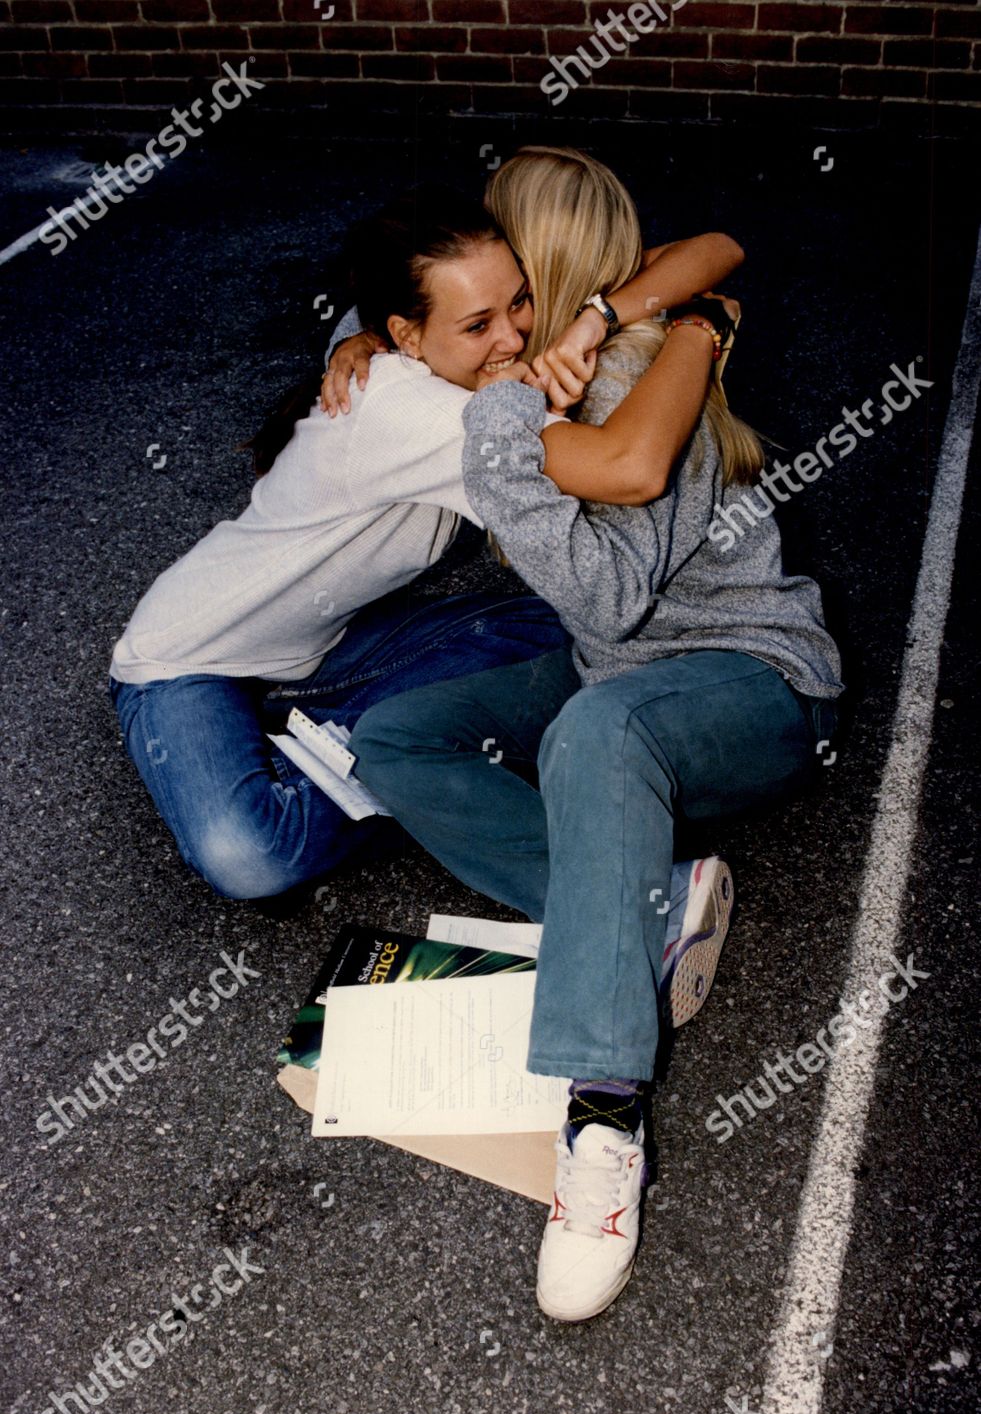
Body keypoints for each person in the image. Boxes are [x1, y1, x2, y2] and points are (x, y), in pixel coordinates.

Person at [347, 147, 844, 1322]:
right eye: (481, 312)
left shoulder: (630, 383)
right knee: (396, 737)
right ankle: (639, 908)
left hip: (754, 685)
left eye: (520, 294)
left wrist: (529, 403)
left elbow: (612, 588)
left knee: (594, 734)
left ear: (550, 278)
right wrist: (366, 346)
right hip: (612, 675)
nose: (505, 322)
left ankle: (603, 1119)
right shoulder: (535, 366)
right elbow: (714, 254)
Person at [110, 178, 745, 906]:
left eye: (521, 302)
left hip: (332, 646)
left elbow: (715, 249)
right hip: (189, 659)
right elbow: (629, 470)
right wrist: (700, 328)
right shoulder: (415, 410)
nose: (510, 338)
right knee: (251, 855)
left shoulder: (431, 343)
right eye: (477, 326)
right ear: (407, 334)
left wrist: (593, 317)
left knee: (579, 636)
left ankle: (354, 746)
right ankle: (396, 764)